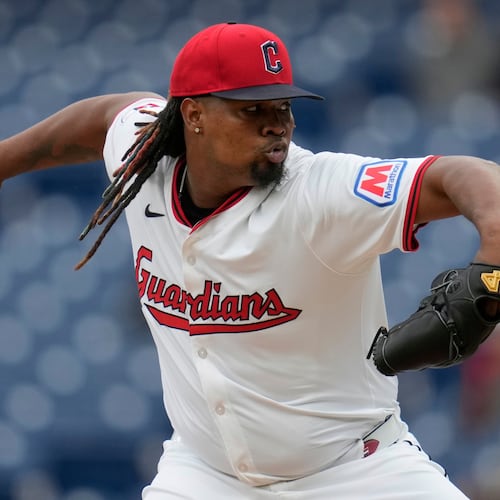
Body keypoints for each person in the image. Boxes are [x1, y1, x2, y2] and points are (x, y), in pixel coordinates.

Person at [1, 21, 500, 499]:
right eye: (251, 109)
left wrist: (491, 266)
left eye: (282, 107)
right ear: (193, 115)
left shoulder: (322, 193)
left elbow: (467, 175)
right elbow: (104, 118)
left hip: (356, 470)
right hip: (204, 474)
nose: (276, 126)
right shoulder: (146, 154)